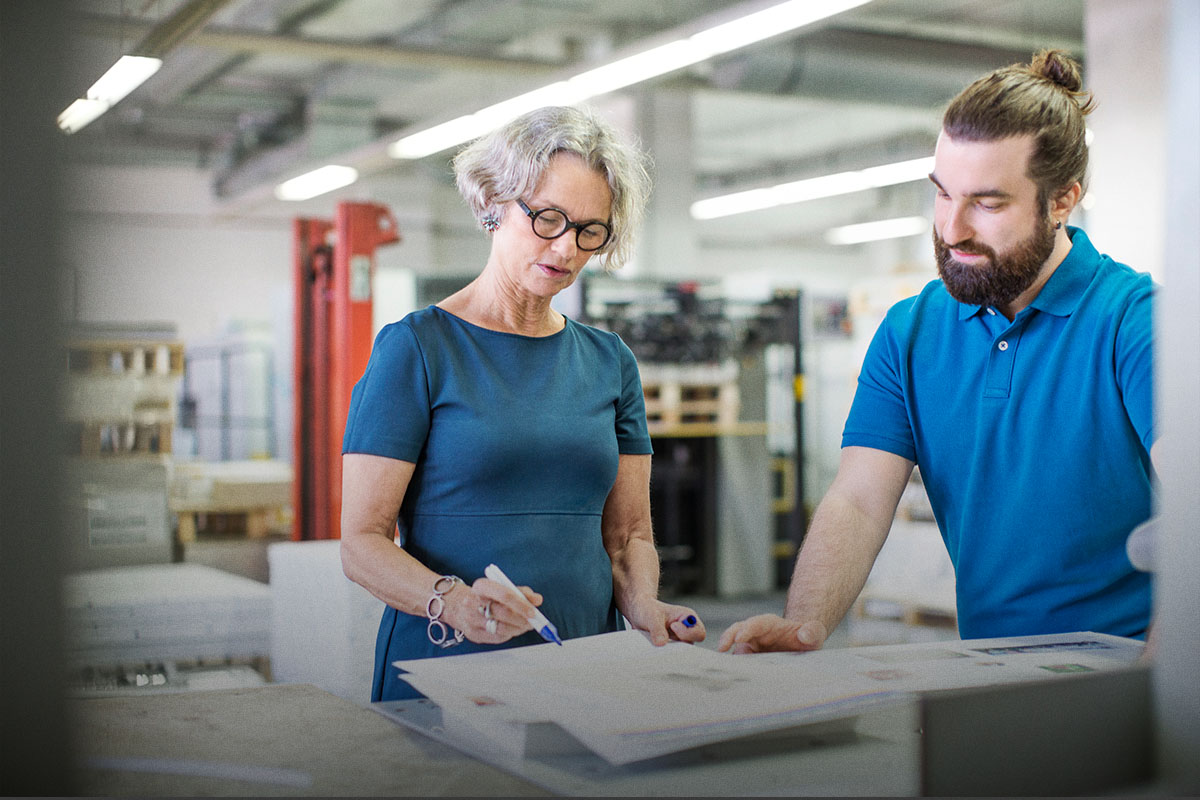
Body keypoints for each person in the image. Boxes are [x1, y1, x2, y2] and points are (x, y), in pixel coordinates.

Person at [720, 50, 1157, 655]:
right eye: (943, 194)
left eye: (988, 202)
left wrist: (1167, 676)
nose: (952, 229)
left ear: (1061, 201)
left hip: (1132, 662)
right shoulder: (910, 331)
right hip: (987, 667)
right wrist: (804, 624)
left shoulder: (1136, 322)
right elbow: (858, 499)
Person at [341, 105, 705, 701]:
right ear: (493, 202)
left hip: (585, 660)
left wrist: (644, 605)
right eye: (548, 219)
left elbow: (629, 533)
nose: (566, 249)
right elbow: (361, 541)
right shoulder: (416, 349)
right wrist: (454, 603)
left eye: (590, 230)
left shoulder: (610, 361)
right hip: (448, 665)